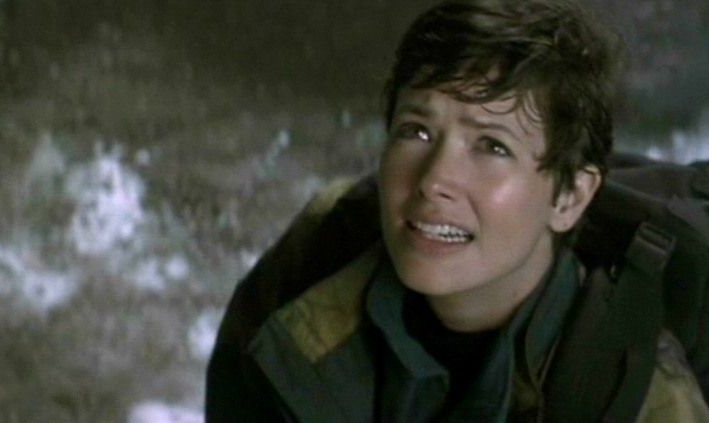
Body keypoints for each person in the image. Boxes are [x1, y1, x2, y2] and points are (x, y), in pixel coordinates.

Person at [206, 0, 709, 421]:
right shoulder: (318, 257)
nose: (434, 181)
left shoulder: (638, 397)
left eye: (492, 146)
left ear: (569, 198)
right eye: (417, 132)